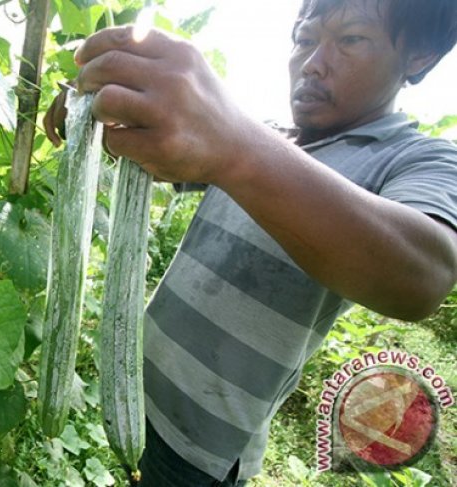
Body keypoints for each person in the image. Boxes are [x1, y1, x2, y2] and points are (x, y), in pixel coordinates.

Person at [44, 0, 457, 485]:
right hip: (136, 393)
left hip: (205, 449)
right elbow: (165, 154)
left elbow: (421, 277)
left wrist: (234, 146)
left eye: (350, 40)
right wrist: (98, 117)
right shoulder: (271, 138)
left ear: (418, 58)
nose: (312, 62)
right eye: (304, 39)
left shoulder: (416, 159)